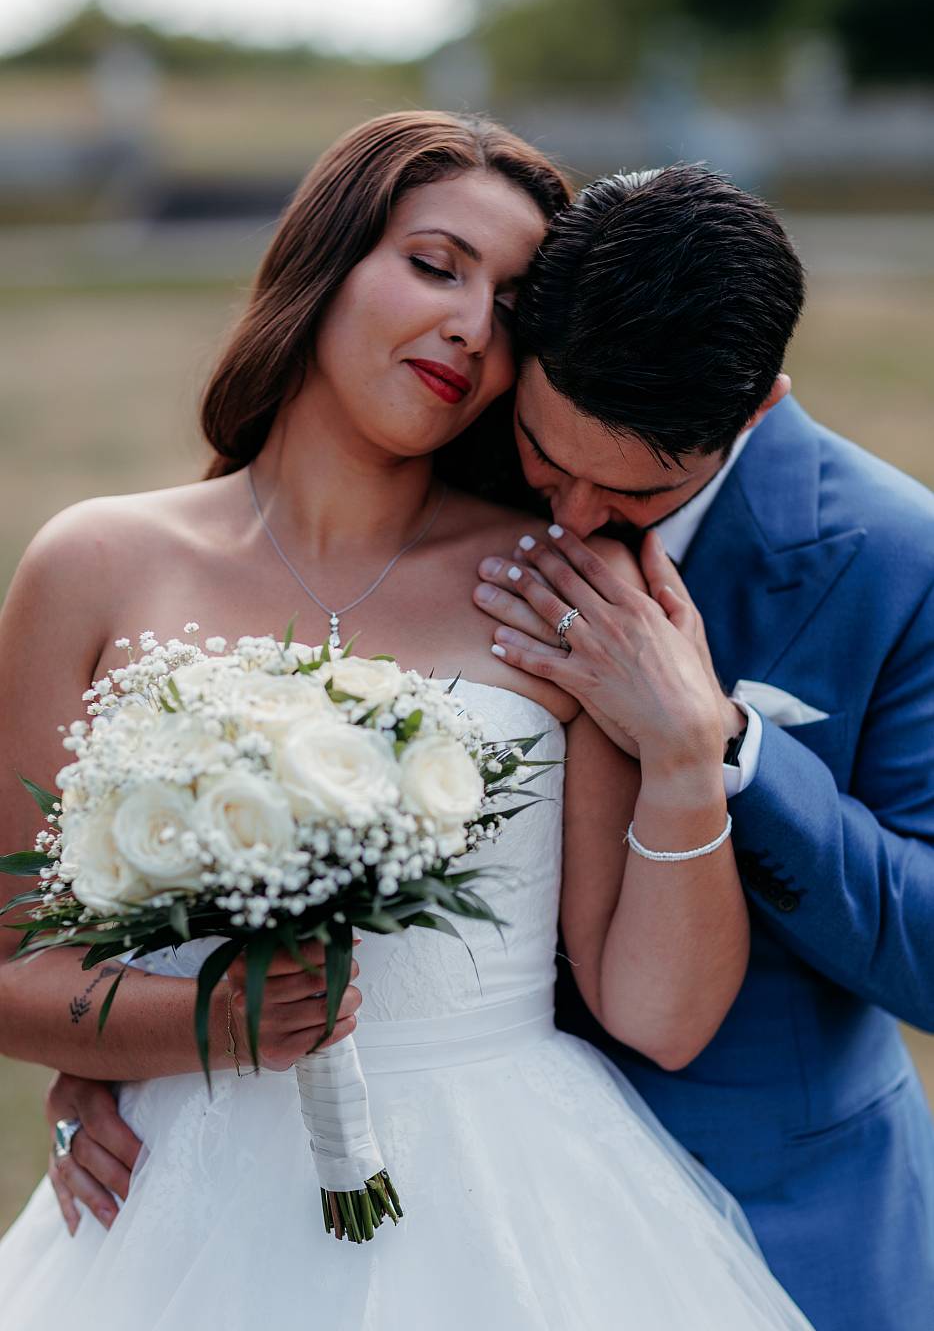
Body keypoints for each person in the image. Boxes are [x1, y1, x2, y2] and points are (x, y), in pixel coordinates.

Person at [0, 114, 811, 1329]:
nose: (471, 324)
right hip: (179, 1204)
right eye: (436, 265)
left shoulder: (560, 582)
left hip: (503, 1204)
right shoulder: (95, 562)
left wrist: (687, 756)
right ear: (326, 260)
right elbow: (17, 962)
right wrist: (196, 1023)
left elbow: (659, 1011)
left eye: (509, 303)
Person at [471, 164, 934, 1331]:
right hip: (473, 1203)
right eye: (544, 453)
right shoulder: (448, 469)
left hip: (782, 1212)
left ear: (756, 409)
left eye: (631, 489)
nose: (569, 515)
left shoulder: (894, 556)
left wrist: (726, 745)